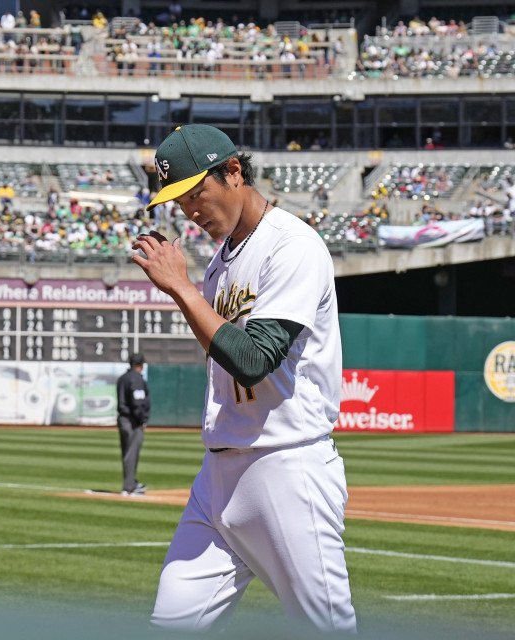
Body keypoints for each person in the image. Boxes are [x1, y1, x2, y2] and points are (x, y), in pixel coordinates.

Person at [131, 125, 355, 633]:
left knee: (327, 629)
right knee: (171, 621)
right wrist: (191, 290)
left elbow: (254, 360)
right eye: (178, 200)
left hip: (285, 466)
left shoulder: (292, 245)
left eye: (194, 193)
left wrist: (182, 290)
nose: (188, 210)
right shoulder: (222, 262)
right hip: (219, 475)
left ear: (232, 171)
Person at [116, 352, 150, 496]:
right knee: (131, 453)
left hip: (123, 419)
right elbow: (137, 402)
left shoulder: (123, 378)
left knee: (127, 453)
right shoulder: (136, 379)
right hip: (132, 421)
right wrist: (142, 419)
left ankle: (131, 482)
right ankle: (129, 486)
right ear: (141, 365)